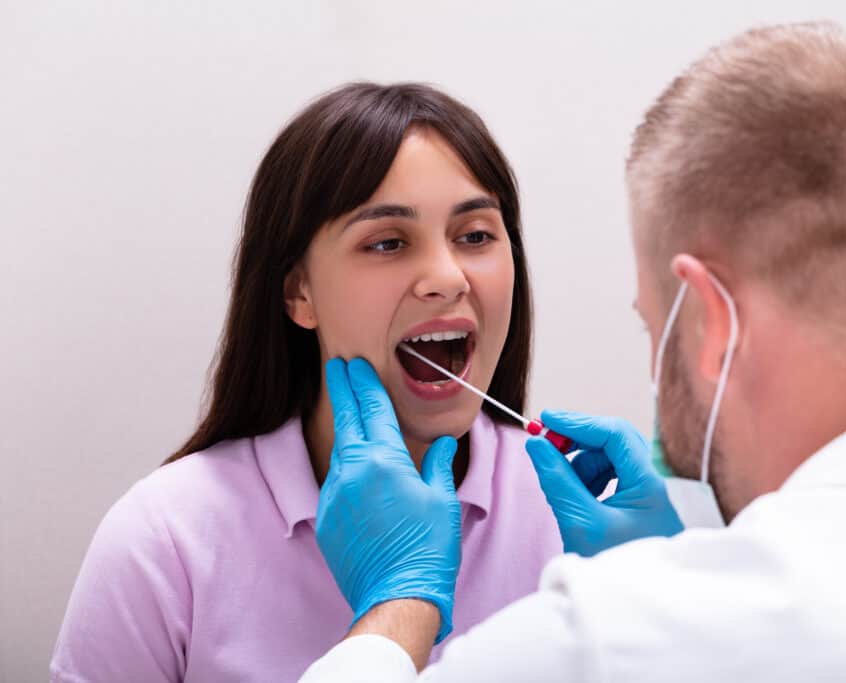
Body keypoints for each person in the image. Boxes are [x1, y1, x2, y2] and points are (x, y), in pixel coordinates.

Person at [300, 22, 846, 682]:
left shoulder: (601, 642)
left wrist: (396, 607)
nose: (448, 277)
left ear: (709, 321)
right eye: (389, 242)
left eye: (655, 329)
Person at [50, 83, 563, 682]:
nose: (448, 279)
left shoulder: (565, 513)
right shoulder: (164, 540)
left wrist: (654, 586)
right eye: (388, 242)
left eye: (475, 236)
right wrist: (401, 605)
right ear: (300, 293)